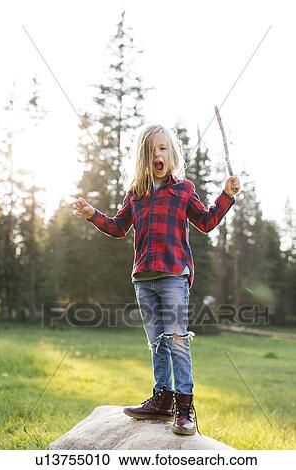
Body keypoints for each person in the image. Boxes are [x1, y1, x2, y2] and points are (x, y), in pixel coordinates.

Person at [73, 123, 240, 436]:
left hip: (174, 276)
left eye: (162, 148)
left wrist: (226, 196)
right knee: (156, 343)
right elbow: (117, 227)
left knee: (177, 341)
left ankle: (185, 408)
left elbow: (205, 222)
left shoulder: (183, 190)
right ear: (143, 157)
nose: (157, 155)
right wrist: (92, 214)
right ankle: (162, 399)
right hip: (143, 280)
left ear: (171, 153)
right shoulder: (136, 195)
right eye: (151, 151)